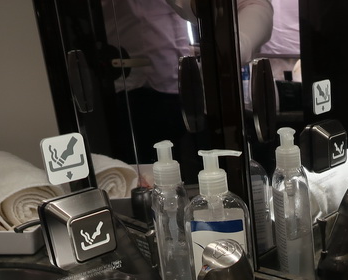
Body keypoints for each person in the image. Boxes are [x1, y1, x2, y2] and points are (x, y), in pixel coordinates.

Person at [102, 0, 274, 179]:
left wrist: (234, 47)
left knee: (198, 172)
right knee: (145, 176)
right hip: (132, 91)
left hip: (185, 86)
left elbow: (253, 6)